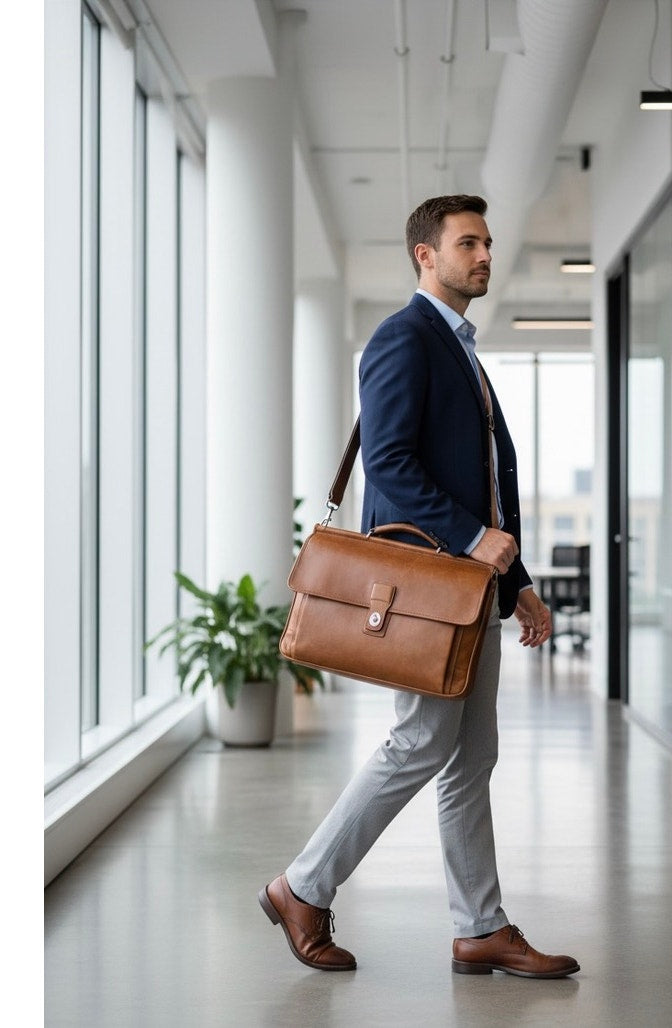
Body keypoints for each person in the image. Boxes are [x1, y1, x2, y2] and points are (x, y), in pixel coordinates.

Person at [259, 195, 579, 979]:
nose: (485, 256)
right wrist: (474, 542)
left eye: (489, 243)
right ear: (425, 256)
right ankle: (302, 885)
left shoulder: (461, 349)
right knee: (422, 742)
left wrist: (520, 583)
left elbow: (488, 492)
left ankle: (480, 927)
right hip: (434, 592)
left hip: (473, 592)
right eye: (468, 242)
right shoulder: (404, 338)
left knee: (472, 758)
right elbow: (392, 464)